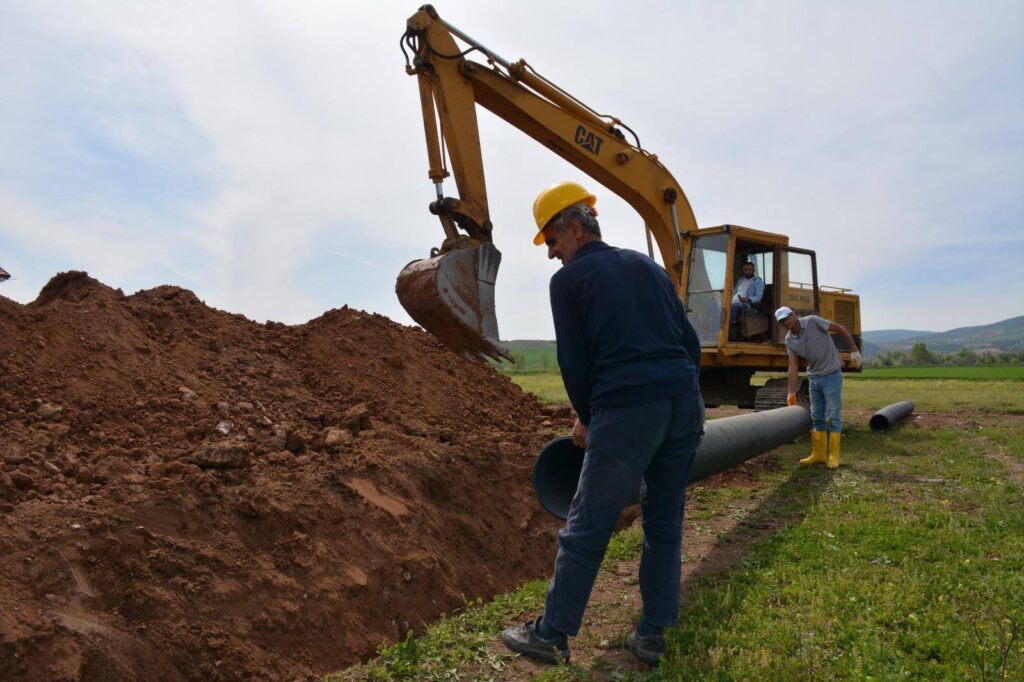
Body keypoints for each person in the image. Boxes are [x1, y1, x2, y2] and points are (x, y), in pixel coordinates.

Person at [501, 181, 704, 666]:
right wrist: (677, 395)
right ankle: (652, 634)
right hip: (684, 403)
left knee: (587, 524)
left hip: (628, 411)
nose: (551, 254)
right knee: (664, 524)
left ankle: (550, 635)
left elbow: (574, 364)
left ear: (574, 228)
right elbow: (691, 345)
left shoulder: (568, 282)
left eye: (551, 241)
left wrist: (590, 420)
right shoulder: (649, 267)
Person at [775, 306, 862, 468]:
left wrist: (855, 351)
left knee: (832, 415)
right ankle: (819, 455)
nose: (786, 322)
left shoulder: (813, 322)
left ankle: (834, 456)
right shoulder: (789, 340)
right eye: (782, 321)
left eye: (787, 317)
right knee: (816, 417)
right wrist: (791, 392)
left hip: (831, 374)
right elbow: (793, 366)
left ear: (794, 315)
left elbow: (840, 328)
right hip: (813, 377)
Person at [729, 261, 764, 337]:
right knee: (714, 306)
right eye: (745, 270)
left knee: (734, 306)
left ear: (753, 270)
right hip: (733, 302)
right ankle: (715, 332)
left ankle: (729, 331)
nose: (747, 272)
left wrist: (748, 299)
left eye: (749, 270)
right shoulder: (741, 280)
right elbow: (734, 292)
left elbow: (758, 297)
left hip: (746, 305)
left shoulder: (758, 281)